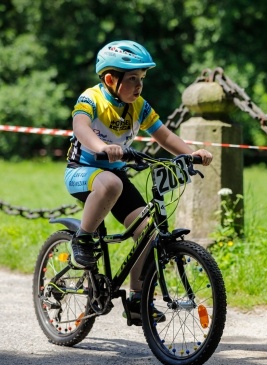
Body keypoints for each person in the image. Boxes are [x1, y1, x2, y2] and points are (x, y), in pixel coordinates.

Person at [64, 40, 212, 324]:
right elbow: (80, 127)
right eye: (132, 79)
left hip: (114, 177)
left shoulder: (139, 107)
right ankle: (82, 239)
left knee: (150, 234)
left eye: (142, 79)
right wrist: (101, 147)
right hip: (81, 172)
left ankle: (136, 300)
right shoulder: (91, 98)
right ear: (110, 79)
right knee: (110, 184)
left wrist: (191, 154)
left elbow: (165, 136)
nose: (139, 85)